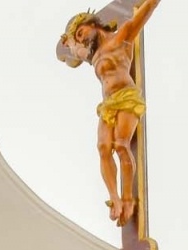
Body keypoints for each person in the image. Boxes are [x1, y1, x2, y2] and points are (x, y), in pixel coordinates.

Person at [58, 1, 163, 225]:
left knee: (121, 145)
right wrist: (69, 42)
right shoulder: (93, 55)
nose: (81, 39)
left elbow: (145, 11)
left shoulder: (122, 37)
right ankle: (114, 198)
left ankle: (128, 199)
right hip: (108, 104)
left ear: (93, 24)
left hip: (126, 97)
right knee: (103, 147)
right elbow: (73, 54)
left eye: (81, 33)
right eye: (78, 38)